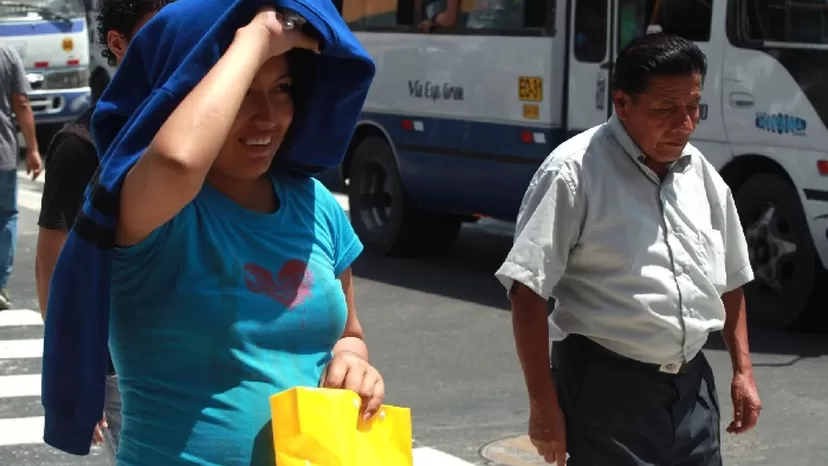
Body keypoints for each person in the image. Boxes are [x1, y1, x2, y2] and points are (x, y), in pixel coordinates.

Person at [92, 8, 383, 465]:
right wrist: (260, 33)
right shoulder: (152, 206)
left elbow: (349, 333)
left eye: (282, 89)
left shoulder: (317, 204)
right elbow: (178, 162)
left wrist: (354, 361)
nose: (267, 117)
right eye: (243, 92)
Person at [495, 33, 762, 466]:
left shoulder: (703, 176)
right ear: (622, 103)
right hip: (606, 392)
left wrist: (743, 371)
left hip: (692, 393)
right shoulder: (574, 172)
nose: (685, 124)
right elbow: (527, 291)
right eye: (665, 110)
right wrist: (543, 407)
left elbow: (731, 279)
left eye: (693, 108)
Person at [35, 0, 173, 458]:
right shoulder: (81, 146)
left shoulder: (196, 124)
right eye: (160, 32)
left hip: (198, 347)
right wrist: (77, 373)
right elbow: (53, 269)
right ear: (118, 43)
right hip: (122, 368)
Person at [0, 44, 42, 310]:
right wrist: (33, 148)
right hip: (2, 153)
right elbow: (22, 103)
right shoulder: (6, 52)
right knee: (5, 216)